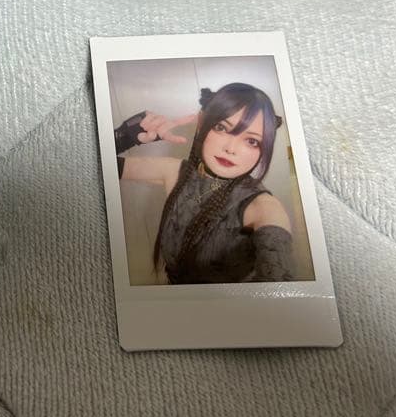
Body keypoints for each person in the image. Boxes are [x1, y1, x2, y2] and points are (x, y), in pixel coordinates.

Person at [114, 83, 294, 284]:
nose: (231, 148)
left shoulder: (263, 208)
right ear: (201, 123)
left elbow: (279, 284)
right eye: (221, 128)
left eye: (251, 141)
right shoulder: (175, 172)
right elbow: (96, 166)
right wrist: (127, 136)